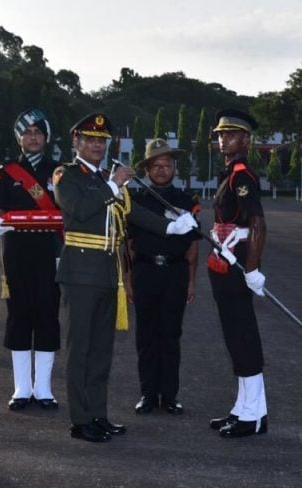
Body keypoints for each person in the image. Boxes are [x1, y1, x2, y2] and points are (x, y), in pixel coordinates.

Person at [53, 113, 198, 443]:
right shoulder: (68, 175)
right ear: (76, 142)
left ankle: (97, 414)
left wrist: (171, 225)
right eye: (90, 139)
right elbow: (79, 208)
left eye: (101, 140)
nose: (96, 145)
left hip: (107, 272)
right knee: (81, 349)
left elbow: (132, 213)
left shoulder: (106, 178)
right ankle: (80, 419)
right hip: (81, 271)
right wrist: (113, 184)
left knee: (102, 349)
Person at [0, 109, 62, 412]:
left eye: (38, 133)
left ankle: (44, 389)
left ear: (46, 138)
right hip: (15, 253)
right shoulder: (4, 172)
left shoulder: (59, 172)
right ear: (19, 137)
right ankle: (21, 388)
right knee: (18, 316)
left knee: (47, 315)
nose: (33, 137)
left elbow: (66, 215)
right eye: (27, 133)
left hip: (49, 253)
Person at [126, 138, 201, 415]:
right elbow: (126, 243)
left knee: (171, 335)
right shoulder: (135, 201)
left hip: (175, 272)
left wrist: (192, 279)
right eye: (155, 165)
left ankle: (169, 395)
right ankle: (147, 394)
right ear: (146, 169)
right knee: (146, 335)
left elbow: (193, 243)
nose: (161, 170)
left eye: (166, 164)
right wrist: (127, 278)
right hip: (144, 271)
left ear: (174, 169)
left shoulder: (186, 201)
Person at [206, 110, 269, 438]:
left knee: (244, 336)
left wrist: (253, 268)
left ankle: (255, 414)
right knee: (234, 335)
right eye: (220, 134)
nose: (223, 139)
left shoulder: (241, 175)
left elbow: (257, 222)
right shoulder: (228, 173)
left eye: (230, 135)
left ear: (245, 140)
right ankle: (243, 408)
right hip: (225, 261)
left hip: (237, 262)